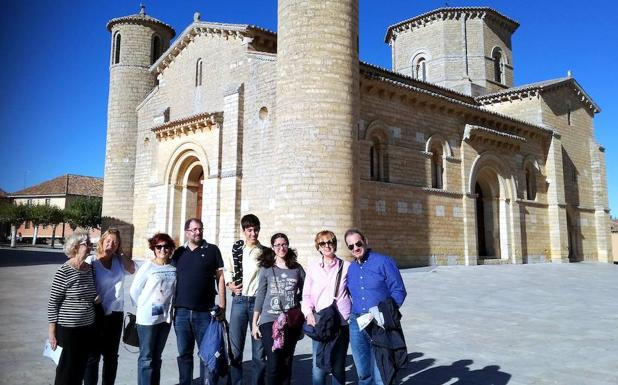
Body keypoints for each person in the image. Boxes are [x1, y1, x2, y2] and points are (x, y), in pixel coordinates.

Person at [344, 229, 407, 385]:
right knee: (363, 374)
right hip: (357, 323)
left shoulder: (384, 262)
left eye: (358, 243)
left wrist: (384, 312)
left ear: (365, 241)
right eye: (351, 246)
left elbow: (399, 290)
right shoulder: (351, 268)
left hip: (380, 322)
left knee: (382, 373)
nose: (355, 248)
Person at [172, 218, 226, 385]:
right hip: (181, 313)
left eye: (200, 229)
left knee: (208, 353)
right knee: (184, 354)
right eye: (194, 229)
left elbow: (220, 277)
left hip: (205, 312)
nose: (198, 232)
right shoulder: (179, 252)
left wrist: (223, 305)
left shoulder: (212, 250)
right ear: (187, 232)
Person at [252, 233, 305, 385]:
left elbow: (306, 292)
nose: (281, 248)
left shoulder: (296, 268)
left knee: (287, 362)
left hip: (290, 321)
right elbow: (260, 295)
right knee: (274, 361)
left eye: (284, 244)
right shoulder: (266, 268)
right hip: (270, 319)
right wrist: (255, 323)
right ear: (273, 247)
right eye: (278, 245)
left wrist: (299, 307)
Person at [84, 228, 136, 385]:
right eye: (108, 241)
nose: (111, 244)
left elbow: (132, 269)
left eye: (115, 242)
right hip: (96, 314)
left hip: (115, 314)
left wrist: (120, 253)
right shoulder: (91, 261)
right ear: (102, 241)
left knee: (111, 357)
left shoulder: (119, 261)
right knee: (92, 357)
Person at [47, 231, 97, 385]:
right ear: (76, 247)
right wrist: (52, 332)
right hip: (68, 329)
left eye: (90, 244)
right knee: (66, 371)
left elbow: (90, 294)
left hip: (87, 328)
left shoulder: (89, 269)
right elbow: (53, 302)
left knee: (80, 369)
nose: (90, 247)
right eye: (86, 244)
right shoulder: (64, 271)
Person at [302, 230, 351, 385]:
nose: (327, 246)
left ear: (335, 244)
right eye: (323, 243)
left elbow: (355, 292)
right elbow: (306, 295)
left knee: (338, 367)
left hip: (341, 323)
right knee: (319, 369)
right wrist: (309, 314)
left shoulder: (346, 267)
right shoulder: (313, 268)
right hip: (321, 323)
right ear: (318, 246)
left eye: (330, 242)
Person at [224, 214, 267, 385]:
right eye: (249, 230)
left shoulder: (264, 252)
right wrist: (229, 283)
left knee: (259, 350)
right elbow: (227, 268)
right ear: (243, 231)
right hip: (240, 301)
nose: (253, 234)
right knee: (235, 349)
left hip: (257, 303)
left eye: (256, 230)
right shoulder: (236, 249)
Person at [130, 233, 177, 385]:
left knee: (157, 357)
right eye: (159, 247)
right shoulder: (148, 266)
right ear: (154, 248)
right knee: (146, 357)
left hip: (165, 318)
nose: (162, 250)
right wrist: (144, 307)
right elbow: (134, 290)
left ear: (171, 248)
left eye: (166, 246)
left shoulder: (174, 266)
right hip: (147, 320)